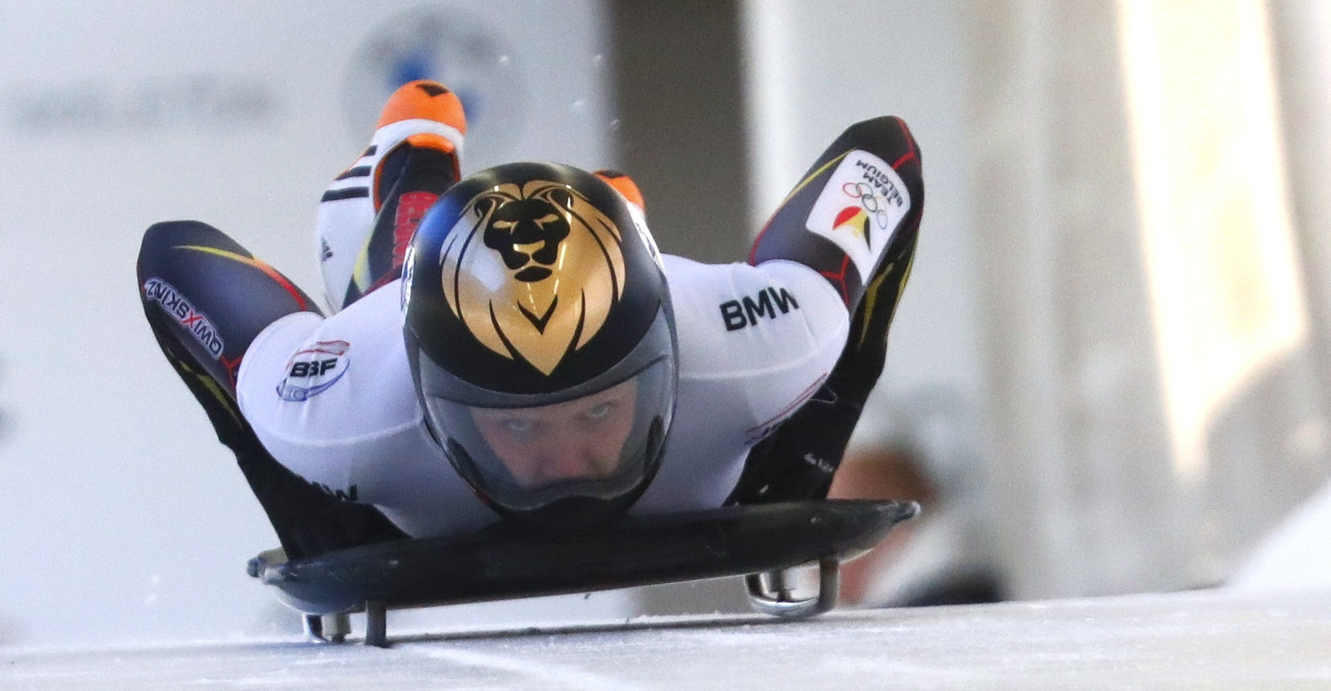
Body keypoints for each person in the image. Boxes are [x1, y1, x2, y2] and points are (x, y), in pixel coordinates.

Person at [137, 81, 923, 556]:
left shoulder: (771, 340)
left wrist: (806, 462)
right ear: (439, 408)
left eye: (600, 411)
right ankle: (411, 161)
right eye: (517, 427)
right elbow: (170, 260)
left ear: (663, 370)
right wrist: (312, 508)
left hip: (681, 310)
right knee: (378, 293)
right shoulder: (327, 410)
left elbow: (890, 154)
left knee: (390, 285)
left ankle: (420, 163)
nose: (566, 462)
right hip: (384, 337)